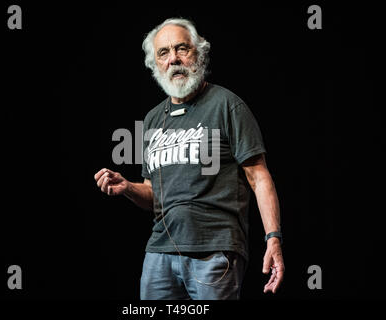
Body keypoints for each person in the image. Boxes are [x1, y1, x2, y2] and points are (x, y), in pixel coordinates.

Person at [94, 17, 284, 300]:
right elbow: (153, 194)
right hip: (159, 253)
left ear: (200, 53)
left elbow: (259, 176)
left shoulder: (227, 105)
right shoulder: (152, 119)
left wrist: (273, 239)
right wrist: (128, 188)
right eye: (163, 53)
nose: (174, 59)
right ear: (154, 64)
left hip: (214, 252)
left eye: (182, 48)